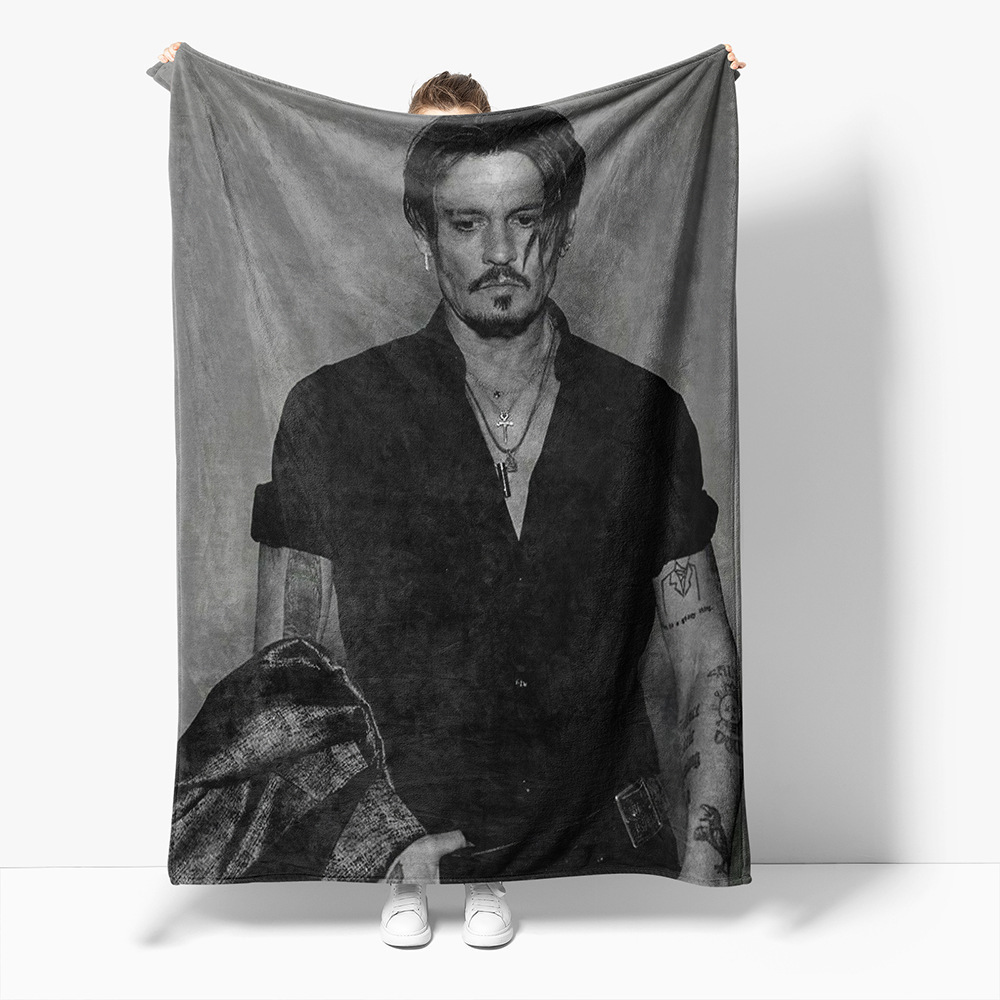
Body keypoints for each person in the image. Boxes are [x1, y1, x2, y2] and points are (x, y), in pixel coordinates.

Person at [155, 43, 747, 951]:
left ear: (563, 226)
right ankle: (429, 882)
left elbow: (702, 651)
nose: (500, 253)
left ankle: (502, 884)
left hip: (600, 832)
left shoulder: (640, 410)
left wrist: (704, 856)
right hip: (410, 835)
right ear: (424, 232)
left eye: (524, 219)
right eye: (467, 223)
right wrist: (202, 94)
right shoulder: (333, 412)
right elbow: (285, 674)